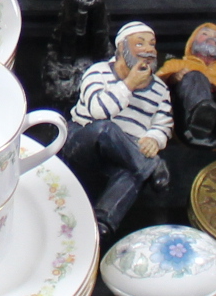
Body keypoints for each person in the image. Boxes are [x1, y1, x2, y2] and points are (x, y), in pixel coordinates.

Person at [64, 20, 172, 237]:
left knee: (132, 172)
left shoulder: (160, 89)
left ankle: (101, 224)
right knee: (106, 129)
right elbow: (97, 111)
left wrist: (154, 138)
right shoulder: (99, 72)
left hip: (124, 153)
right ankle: (151, 166)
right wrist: (129, 84)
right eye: (140, 44)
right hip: (84, 141)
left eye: (152, 44)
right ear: (121, 48)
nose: (149, 49)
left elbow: (163, 124)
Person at [157, 22, 216, 150]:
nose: (211, 37)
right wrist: (172, 77)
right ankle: (202, 113)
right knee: (195, 76)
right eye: (204, 34)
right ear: (193, 42)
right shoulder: (176, 64)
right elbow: (153, 85)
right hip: (187, 123)